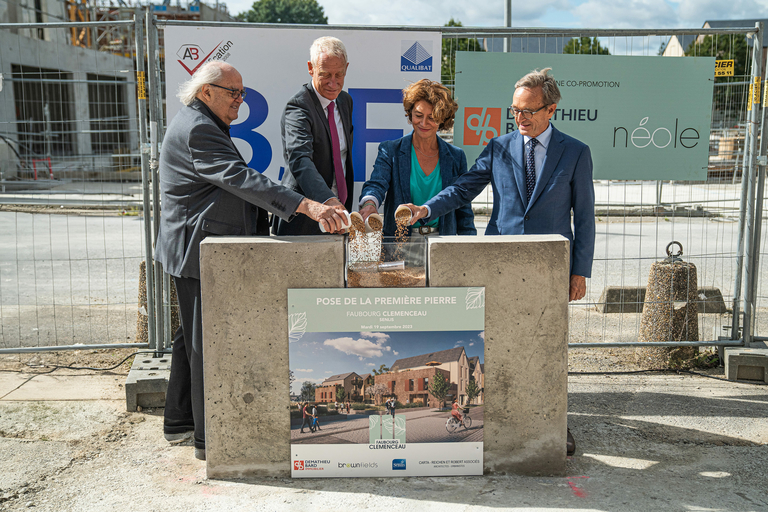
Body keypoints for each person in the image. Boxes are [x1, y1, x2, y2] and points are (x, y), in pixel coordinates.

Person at [155, 61, 347, 461]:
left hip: (193, 246)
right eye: (233, 92)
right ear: (206, 92)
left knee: (188, 338)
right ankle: (209, 440)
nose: (241, 100)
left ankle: (177, 418)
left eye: (243, 92)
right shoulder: (199, 128)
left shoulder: (201, 121)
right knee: (205, 344)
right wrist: (305, 205)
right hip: (196, 249)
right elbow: (240, 178)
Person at [402, 68, 595, 456]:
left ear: (551, 109)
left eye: (529, 112)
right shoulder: (499, 147)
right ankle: (504, 418)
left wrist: (580, 271)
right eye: (515, 111)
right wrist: (425, 209)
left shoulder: (575, 152)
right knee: (502, 343)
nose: (520, 119)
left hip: (548, 268)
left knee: (547, 347)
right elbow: (462, 188)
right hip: (501, 265)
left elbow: (585, 217)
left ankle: (553, 423)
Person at [358, 79, 475, 237]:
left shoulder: (456, 156)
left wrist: (469, 248)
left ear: (442, 119)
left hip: (442, 241)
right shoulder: (391, 150)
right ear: (410, 113)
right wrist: (370, 204)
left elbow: (463, 209)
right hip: (400, 244)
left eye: (432, 117)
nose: (424, 123)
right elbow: (376, 184)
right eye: (418, 115)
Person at [273, 36, 355, 235]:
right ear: (311, 68)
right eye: (325, 74)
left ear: (346, 68)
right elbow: (300, 160)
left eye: (339, 75)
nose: (333, 83)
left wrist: (339, 205)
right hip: (303, 219)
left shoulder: (345, 101)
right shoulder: (298, 107)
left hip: (339, 214)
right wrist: (328, 201)